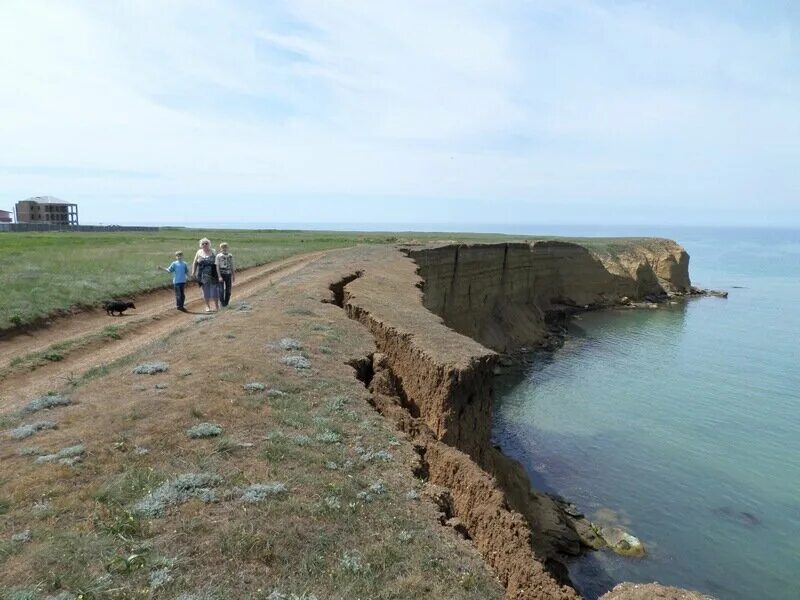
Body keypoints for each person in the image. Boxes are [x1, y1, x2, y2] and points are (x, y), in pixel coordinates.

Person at [191, 237, 219, 312]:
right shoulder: (199, 252)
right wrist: (193, 272)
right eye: (203, 243)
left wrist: (220, 274)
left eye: (206, 243)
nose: (205, 245)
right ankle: (207, 306)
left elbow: (217, 263)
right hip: (202, 275)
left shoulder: (213, 251)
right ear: (201, 245)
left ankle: (217, 306)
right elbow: (195, 263)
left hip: (213, 274)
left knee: (214, 291)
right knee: (205, 291)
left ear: (209, 244)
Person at [215, 242, 235, 307]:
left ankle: (226, 303)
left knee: (228, 290)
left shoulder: (230, 255)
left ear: (227, 248)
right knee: (221, 290)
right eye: (222, 247)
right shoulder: (218, 256)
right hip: (221, 274)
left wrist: (233, 275)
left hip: (228, 274)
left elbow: (232, 265)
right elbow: (217, 267)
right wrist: (219, 276)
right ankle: (222, 304)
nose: (224, 249)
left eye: (225, 247)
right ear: (220, 248)